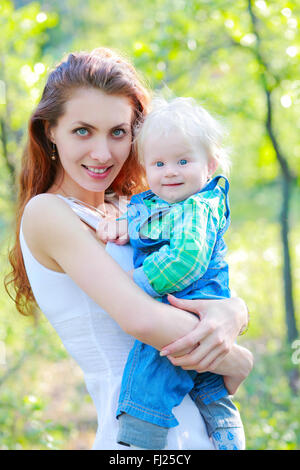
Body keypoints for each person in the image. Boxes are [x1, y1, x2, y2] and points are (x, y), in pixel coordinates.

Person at [5, 48, 252, 450]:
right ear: (50, 130)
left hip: (204, 432)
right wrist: (237, 359)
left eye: (118, 132)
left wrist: (234, 311)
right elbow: (141, 319)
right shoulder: (48, 214)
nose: (103, 153)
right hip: (141, 439)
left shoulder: (133, 208)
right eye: (83, 130)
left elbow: (202, 278)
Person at [96, 97, 245, 450]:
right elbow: (144, 217)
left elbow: (185, 262)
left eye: (183, 161)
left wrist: (133, 284)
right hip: (185, 311)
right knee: (207, 384)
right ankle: (224, 433)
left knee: (154, 372)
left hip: (188, 302)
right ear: (145, 168)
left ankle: (140, 441)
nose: (171, 171)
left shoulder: (198, 206)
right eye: (159, 163)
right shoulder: (157, 202)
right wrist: (125, 221)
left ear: (209, 165)